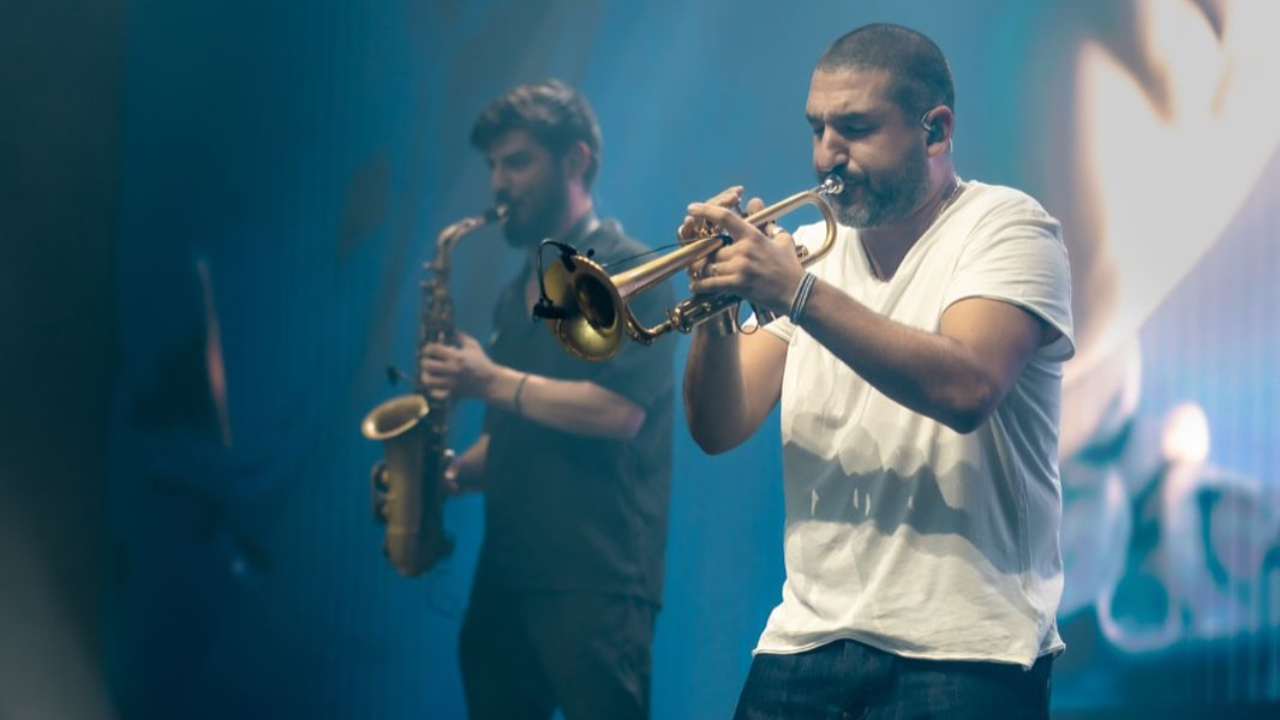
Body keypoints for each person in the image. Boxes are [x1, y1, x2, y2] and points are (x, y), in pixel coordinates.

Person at [681, 23, 1074, 720]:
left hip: (966, 648)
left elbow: (967, 387)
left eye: (855, 128)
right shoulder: (804, 252)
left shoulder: (1009, 227)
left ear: (935, 130)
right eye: (818, 128)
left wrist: (794, 293)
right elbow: (718, 425)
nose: (827, 154)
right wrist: (714, 306)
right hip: (804, 639)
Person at [418, 79, 675, 720]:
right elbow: (513, 431)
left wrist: (487, 380)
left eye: (518, 161)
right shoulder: (516, 293)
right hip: (507, 574)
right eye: (494, 166)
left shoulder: (627, 268)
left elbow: (619, 413)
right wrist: (441, 476)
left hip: (596, 577)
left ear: (576, 160)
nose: (500, 182)